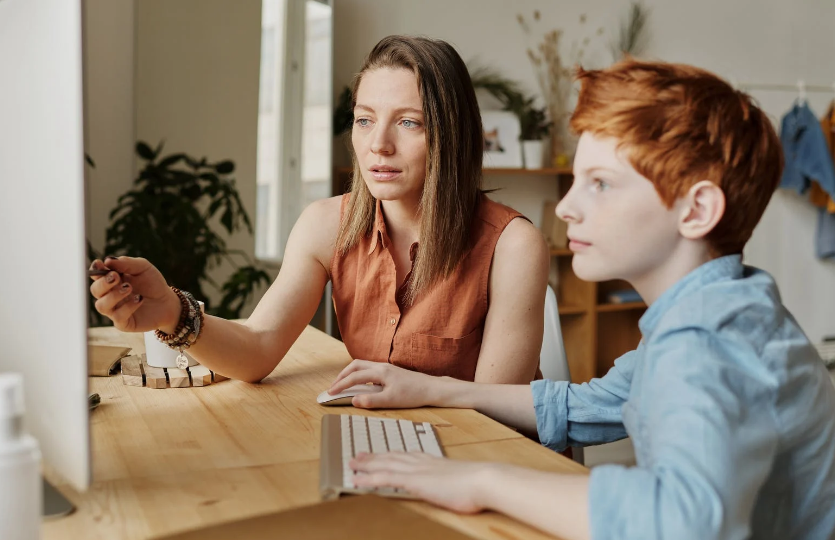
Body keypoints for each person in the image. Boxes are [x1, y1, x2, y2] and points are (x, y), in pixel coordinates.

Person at [328, 59, 835, 540]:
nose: (567, 208)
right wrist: (433, 388)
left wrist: (480, 482)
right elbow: (590, 405)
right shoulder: (720, 308)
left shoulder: (707, 341)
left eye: (600, 184)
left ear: (697, 209)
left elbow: (679, 521)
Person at [89, 35, 549, 384]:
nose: (378, 145)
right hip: (389, 446)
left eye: (408, 122)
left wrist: (407, 393)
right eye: (365, 119)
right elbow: (257, 348)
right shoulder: (326, 224)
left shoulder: (513, 245)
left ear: (453, 136)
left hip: (483, 462)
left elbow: (496, 414)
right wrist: (172, 311)